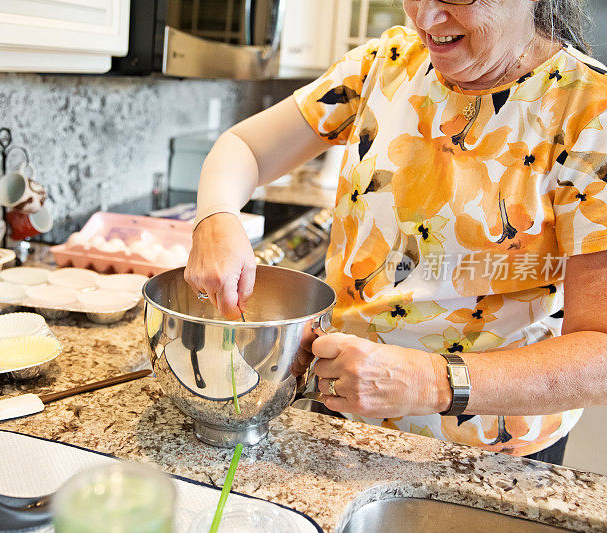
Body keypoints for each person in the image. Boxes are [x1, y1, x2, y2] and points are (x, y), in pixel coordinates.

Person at [184, 0, 607, 464]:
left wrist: (429, 381)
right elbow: (247, 147)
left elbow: (600, 354)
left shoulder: (591, 113)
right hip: (341, 424)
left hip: (487, 457)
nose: (423, 19)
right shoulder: (384, 64)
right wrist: (216, 215)